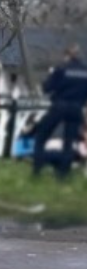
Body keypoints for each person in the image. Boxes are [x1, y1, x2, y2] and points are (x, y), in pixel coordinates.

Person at [32, 44, 87, 179]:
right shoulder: (85, 71)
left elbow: (47, 88)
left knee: (41, 136)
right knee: (69, 142)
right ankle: (63, 174)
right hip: (76, 108)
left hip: (60, 106)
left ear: (66, 55)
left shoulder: (61, 68)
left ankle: (37, 170)